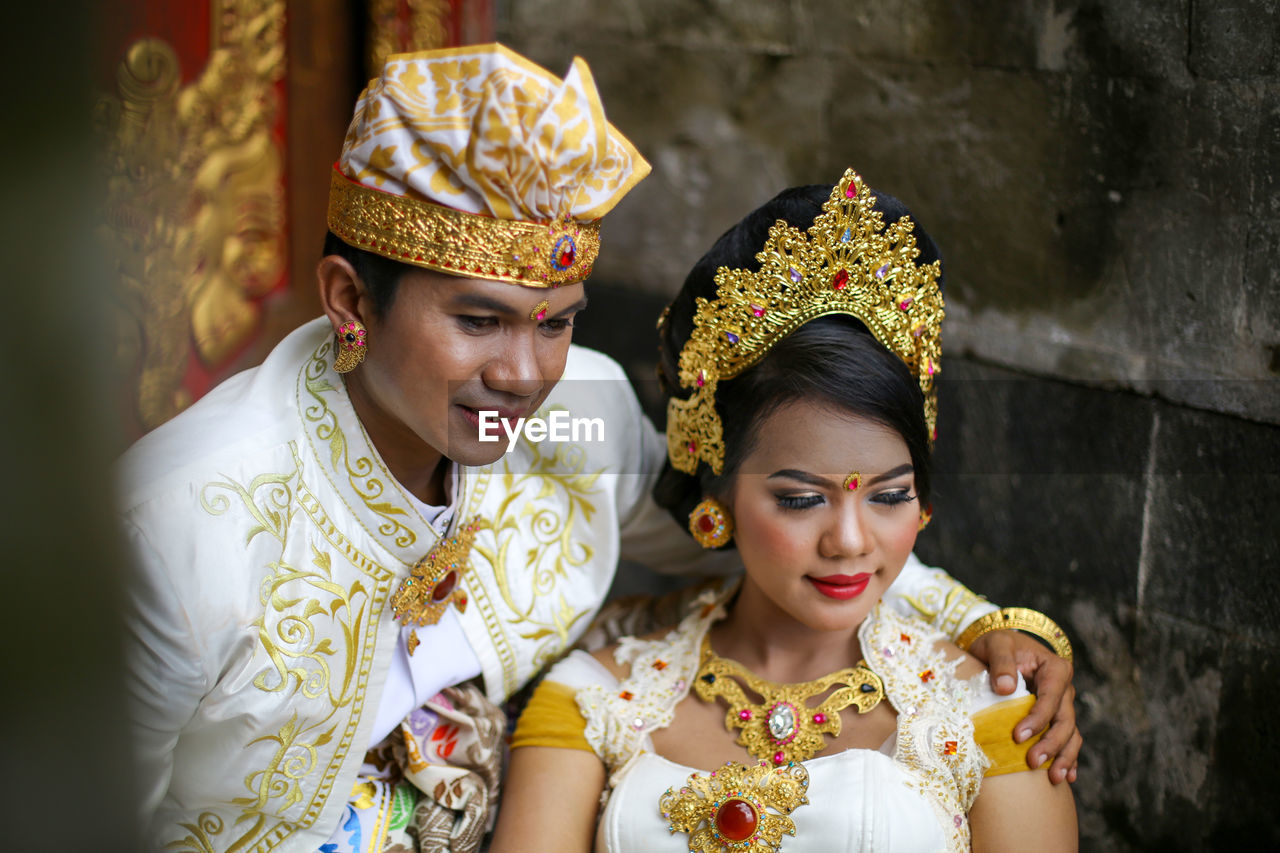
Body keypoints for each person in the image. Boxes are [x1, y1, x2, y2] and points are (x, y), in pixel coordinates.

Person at [119, 45, 1077, 853]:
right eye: (480, 320)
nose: (524, 373)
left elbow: (766, 516)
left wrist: (993, 628)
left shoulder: (580, 421)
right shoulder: (175, 527)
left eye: (556, 322)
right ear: (350, 300)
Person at [493, 172, 1078, 852]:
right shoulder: (595, 700)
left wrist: (994, 623)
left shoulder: (995, 709)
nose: (851, 541)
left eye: (889, 494)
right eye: (801, 498)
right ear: (718, 496)